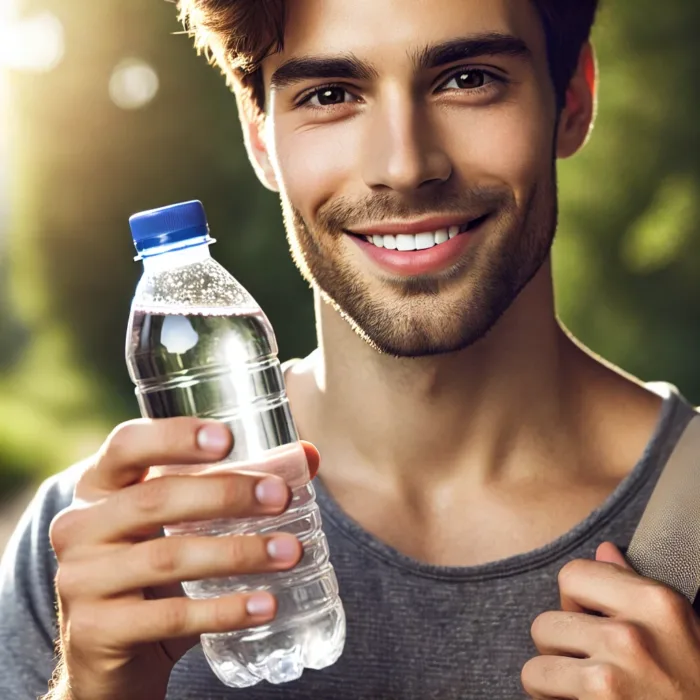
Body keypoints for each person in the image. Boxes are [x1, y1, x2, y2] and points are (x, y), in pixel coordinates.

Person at [2, 0, 700, 698]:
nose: (403, 165)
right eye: (330, 95)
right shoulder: (97, 561)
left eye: (469, 79)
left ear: (573, 98)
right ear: (260, 137)